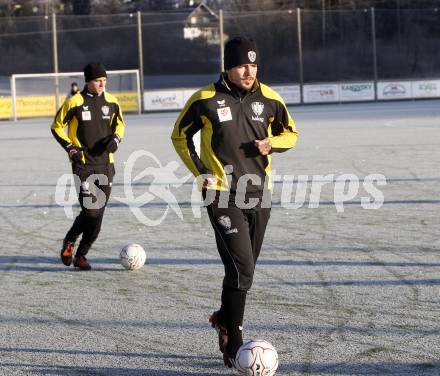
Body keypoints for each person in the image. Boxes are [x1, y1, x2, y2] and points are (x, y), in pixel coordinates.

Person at [171, 37, 299, 367]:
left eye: (254, 66)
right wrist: (201, 172)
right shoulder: (205, 99)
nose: (249, 71)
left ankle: (223, 317)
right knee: (242, 267)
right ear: (228, 66)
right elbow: (180, 136)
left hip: (259, 194)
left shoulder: (270, 98)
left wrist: (273, 143)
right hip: (222, 194)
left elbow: (292, 133)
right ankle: (235, 344)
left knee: (244, 271)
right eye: (243, 65)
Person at [51, 62, 125, 271]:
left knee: (97, 217)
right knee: (91, 211)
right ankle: (70, 240)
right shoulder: (74, 102)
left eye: (104, 81)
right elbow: (57, 126)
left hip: (106, 166)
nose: (102, 84)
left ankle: (81, 255)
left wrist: (117, 138)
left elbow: (120, 123)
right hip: (83, 166)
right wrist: (70, 148)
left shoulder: (112, 101)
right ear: (88, 81)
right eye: (98, 81)